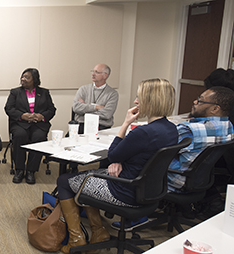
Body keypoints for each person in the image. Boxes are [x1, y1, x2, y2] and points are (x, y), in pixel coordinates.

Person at [55, 78, 178, 253]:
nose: (135, 101)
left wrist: (126, 123)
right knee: (91, 175)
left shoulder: (143, 132)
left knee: (64, 180)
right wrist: (120, 160)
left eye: (139, 97)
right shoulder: (170, 129)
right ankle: (99, 233)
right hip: (150, 191)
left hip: (124, 191)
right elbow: (139, 155)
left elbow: (113, 154)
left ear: (151, 101)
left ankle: (76, 239)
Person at [114, 86, 234, 231]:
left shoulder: (189, 130)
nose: (195, 102)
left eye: (200, 101)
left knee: (130, 162)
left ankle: (134, 213)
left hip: (172, 180)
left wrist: (118, 157)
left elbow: (155, 147)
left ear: (215, 109)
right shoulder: (228, 126)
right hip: (198, 180)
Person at [4, 68, 56, 184]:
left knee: (39, 138)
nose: (23, 79)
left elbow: (52, 110)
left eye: (27, 77)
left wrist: (42, 116)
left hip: (39, 124)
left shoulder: (44, 92)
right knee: (19, 136)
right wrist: (22, 115)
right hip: (20, 124)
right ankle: (20, 170)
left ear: (35, 80)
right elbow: (9, 108)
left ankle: (31, 171)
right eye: (22, 76)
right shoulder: (15, 92)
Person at [72, 64, 119, 133]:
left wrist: (84, 110)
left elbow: (107, 114)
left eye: (97, 72)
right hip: (82, 125)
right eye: (93, 71)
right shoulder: (83, 89)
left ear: (105, 75)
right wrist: (96, 107)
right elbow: (76, 108)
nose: (93, 74)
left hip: (101, 127)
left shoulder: (112, 94)